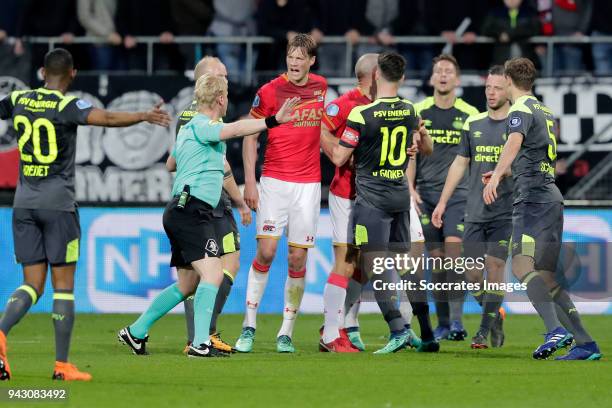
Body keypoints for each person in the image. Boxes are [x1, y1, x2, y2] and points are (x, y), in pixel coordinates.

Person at [0, 48, 171, 381]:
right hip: (58, 205)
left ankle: (1, 333)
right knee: (62, 288)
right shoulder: (68, 106)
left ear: (41, 72)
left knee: (31, 285)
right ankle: (62, 366)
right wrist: (143, 116)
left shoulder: (18, 98)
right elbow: (106, 118)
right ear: (73, 75)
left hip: (23, 203)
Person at [118, 74, 299, 359]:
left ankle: (136, 331)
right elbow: (238, 128)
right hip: (192, 210)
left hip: (180, 209)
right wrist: (272, 120)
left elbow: (170, 164)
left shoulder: (190, 129)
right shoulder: (206, 126)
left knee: (187, 284)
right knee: (213, 273)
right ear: (220, 99)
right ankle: (200, 343)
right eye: (226, 95)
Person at [483, 57, 601, 360]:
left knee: (521, 265)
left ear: (508, 81)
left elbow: (515, 141)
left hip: (533, 199)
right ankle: (586, 343)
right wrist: (507, 172)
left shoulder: (519, 109)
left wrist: (497, 174)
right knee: (547, 278)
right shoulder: (544, 110)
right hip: (551, 196)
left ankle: (554, 330)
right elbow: (535, 153)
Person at [319, 53, 428, 352]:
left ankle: (393, 327)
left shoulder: (395, 108)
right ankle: (334, 329)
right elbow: (322, 131)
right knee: (350, 262)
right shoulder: (344, 105)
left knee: (386, 262)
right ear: (374, 75)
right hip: (348, 194)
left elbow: (414, 145)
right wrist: (342, 155)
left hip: (388, 192)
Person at [236, 33, 327, 354]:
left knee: (298, 256)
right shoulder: (269, 91)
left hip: (308, 186)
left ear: (311, 61)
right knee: (266, 253)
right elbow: (249, 135)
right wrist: (249, 180)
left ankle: (285, 332)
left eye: (301, 57)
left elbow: (325, 129)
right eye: (291, 56)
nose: (295, 62)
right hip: (274, 181)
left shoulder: (321, 87)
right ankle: (248, 326)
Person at [174, 57, 252, 354]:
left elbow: (174, 160)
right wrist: (239, 200)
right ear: (207, 82)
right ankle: (202, 336)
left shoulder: (192, 118)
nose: (227, 80)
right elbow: (221, 166)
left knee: (201, 275)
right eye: (221, 76)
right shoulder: (200, 120)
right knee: (216, 269)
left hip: (197, 201)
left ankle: (201, 335)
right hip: (206, 202)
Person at [432, 65, 512, 349]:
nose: (491, 93)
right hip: (475, 211)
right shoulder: (473, 124)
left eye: (498, 88)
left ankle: (482, 331)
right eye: (488, 87)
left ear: (509, 90)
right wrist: (442, 201)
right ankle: (495, 316)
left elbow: (524, 166)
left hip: (505, 211)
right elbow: (459, 163)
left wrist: (503, 173)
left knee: (495, 268)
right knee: (472, 273)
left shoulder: (518, 124)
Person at [408, 54, 479, 342]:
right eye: (439, 71)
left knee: (453, 254)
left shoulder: (470, 114)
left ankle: (459, 323)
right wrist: (410, 188)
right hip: (425, 194)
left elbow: (477, 157)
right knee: (436, 261)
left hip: (459, 196)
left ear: (458, 80)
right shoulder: (418, 111)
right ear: (431, 79)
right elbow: (410, 155)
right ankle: (443, 322)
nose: (444, 75)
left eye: (449, 71)